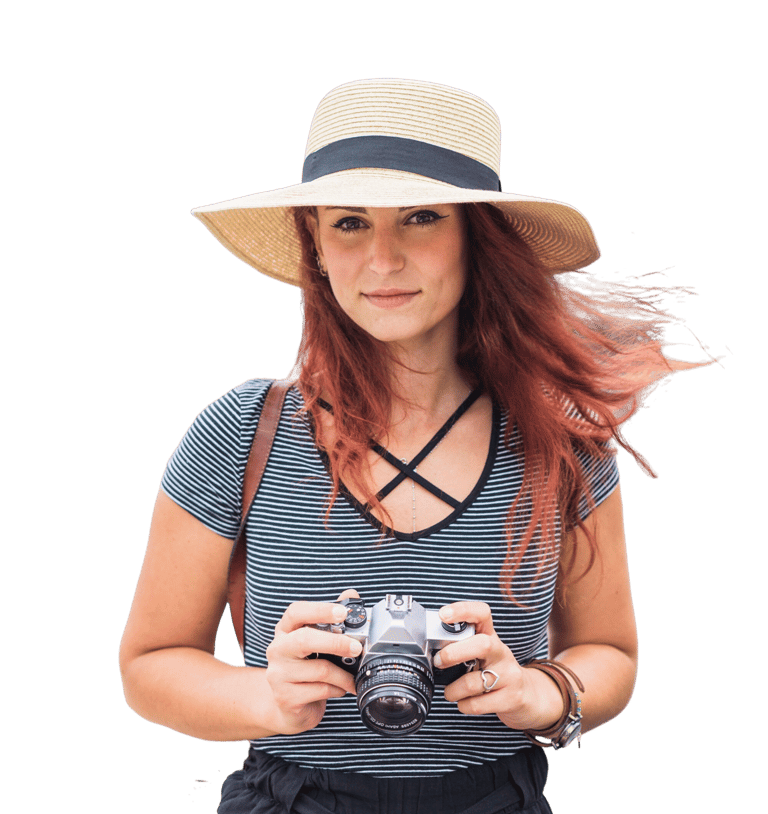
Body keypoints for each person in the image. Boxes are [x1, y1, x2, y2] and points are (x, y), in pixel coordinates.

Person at [118, 78, 722, 813]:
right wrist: (266, 698)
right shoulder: (241, 433)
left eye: (421, 218)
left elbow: (612, 654)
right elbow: (149, 663)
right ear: (315, 243)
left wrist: (537, 692)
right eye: (349, 223)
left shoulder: (559, 437)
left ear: (478, 237)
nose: (382, 259)